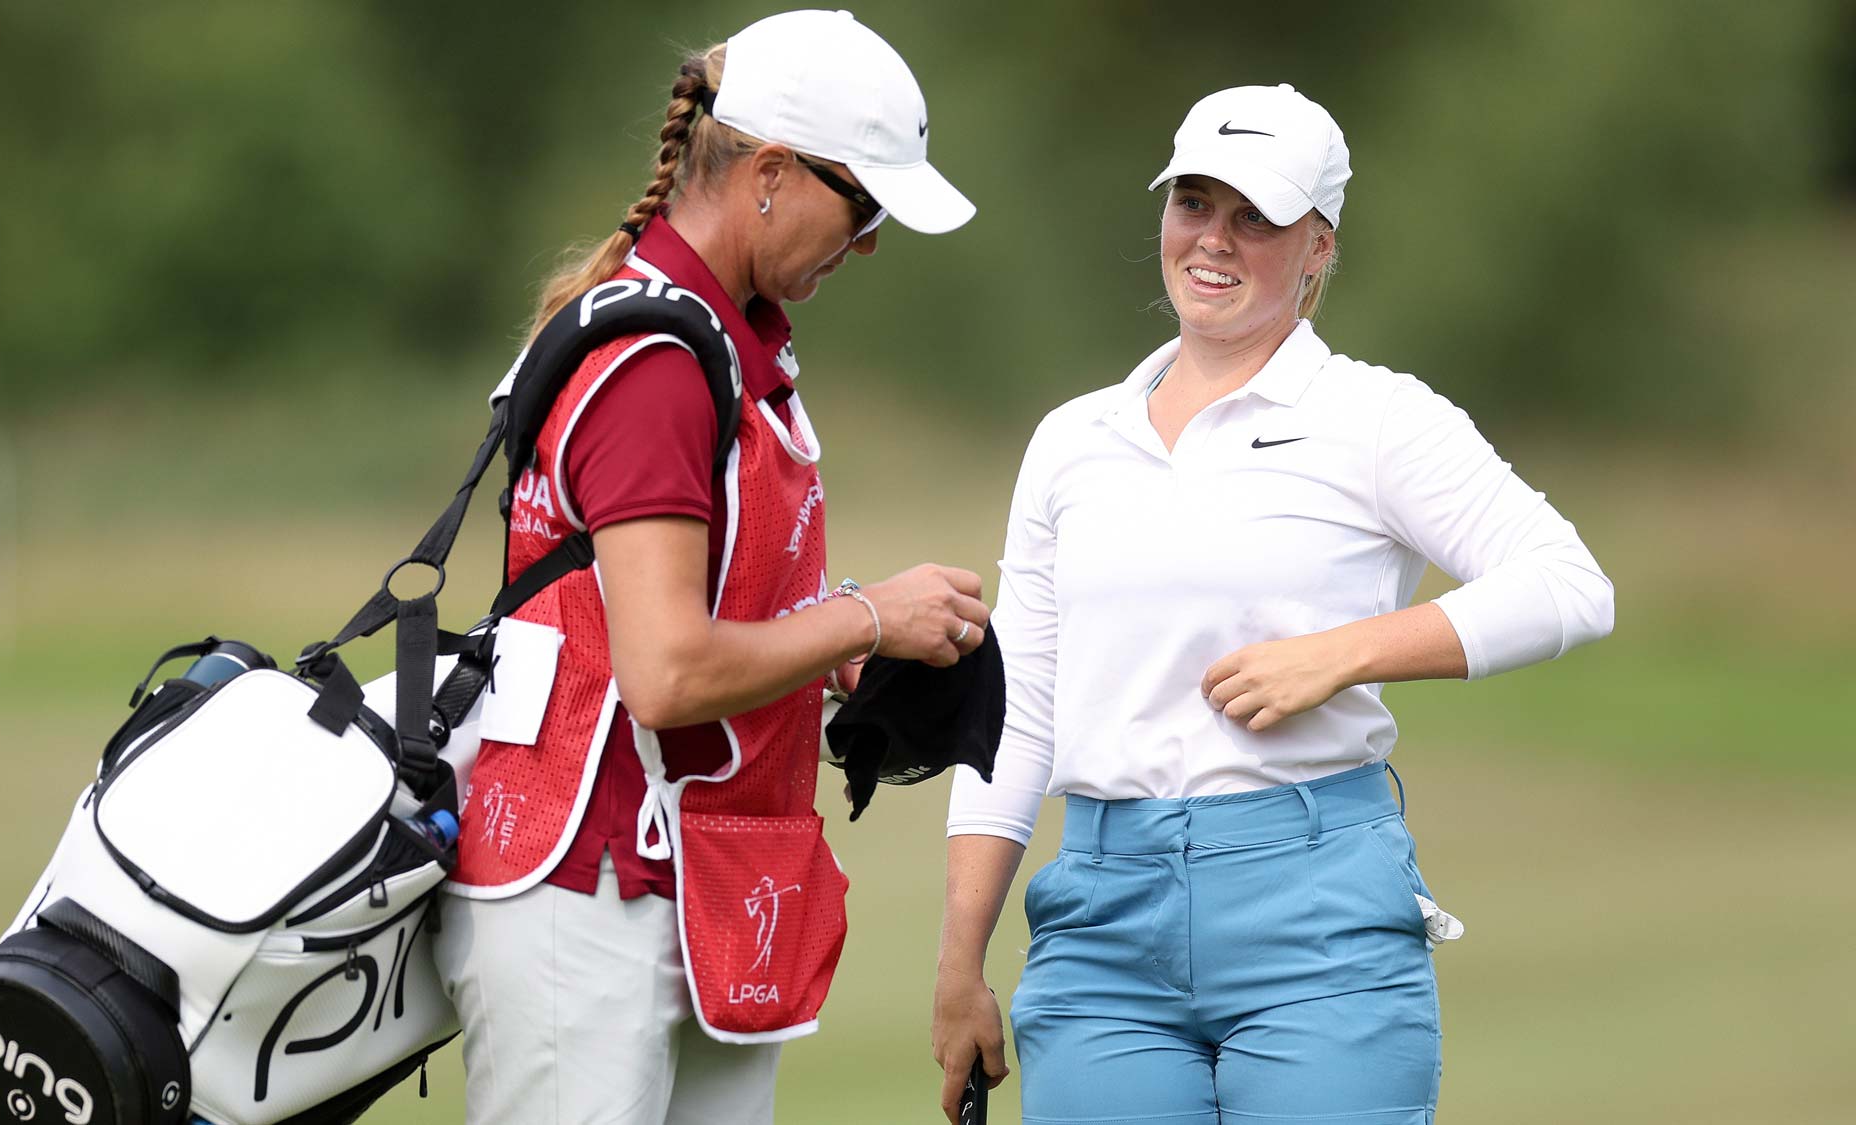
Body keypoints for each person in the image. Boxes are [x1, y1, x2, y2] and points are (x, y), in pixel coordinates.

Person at [931, 83, 1614, 1125]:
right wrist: (959, 960)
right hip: (1101, 920)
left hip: (1316, 909)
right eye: (1193, 203)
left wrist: (1344, 653)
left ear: (1317, 248)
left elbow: (1568, 586)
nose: (1214, 240)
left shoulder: (1374, 417)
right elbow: (1019, 709)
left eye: (1255, 217)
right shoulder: (1073, 439)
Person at [432, 11, 988, 1125]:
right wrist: (863, 622)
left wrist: (832, 643)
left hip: (695, 881)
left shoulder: (728, 338)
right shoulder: (658, 364)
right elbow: (667, 674)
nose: (869, 240)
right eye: (862, 203)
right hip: (591, 887)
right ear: (770, 174)